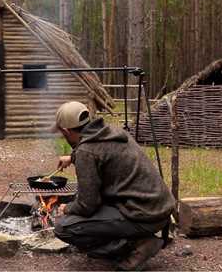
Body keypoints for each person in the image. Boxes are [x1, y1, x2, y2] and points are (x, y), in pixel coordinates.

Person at [51, 101, 175, 271]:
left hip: (143, 215)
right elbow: (102, 152)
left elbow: (87, 205)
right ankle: (134, 240)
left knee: (64, 228)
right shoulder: (112, 132)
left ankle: (138, 245)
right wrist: (73, 158)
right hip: (160, 209)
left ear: (66, 130)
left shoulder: (86, 152)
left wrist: (67, 208)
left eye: (61, 132)